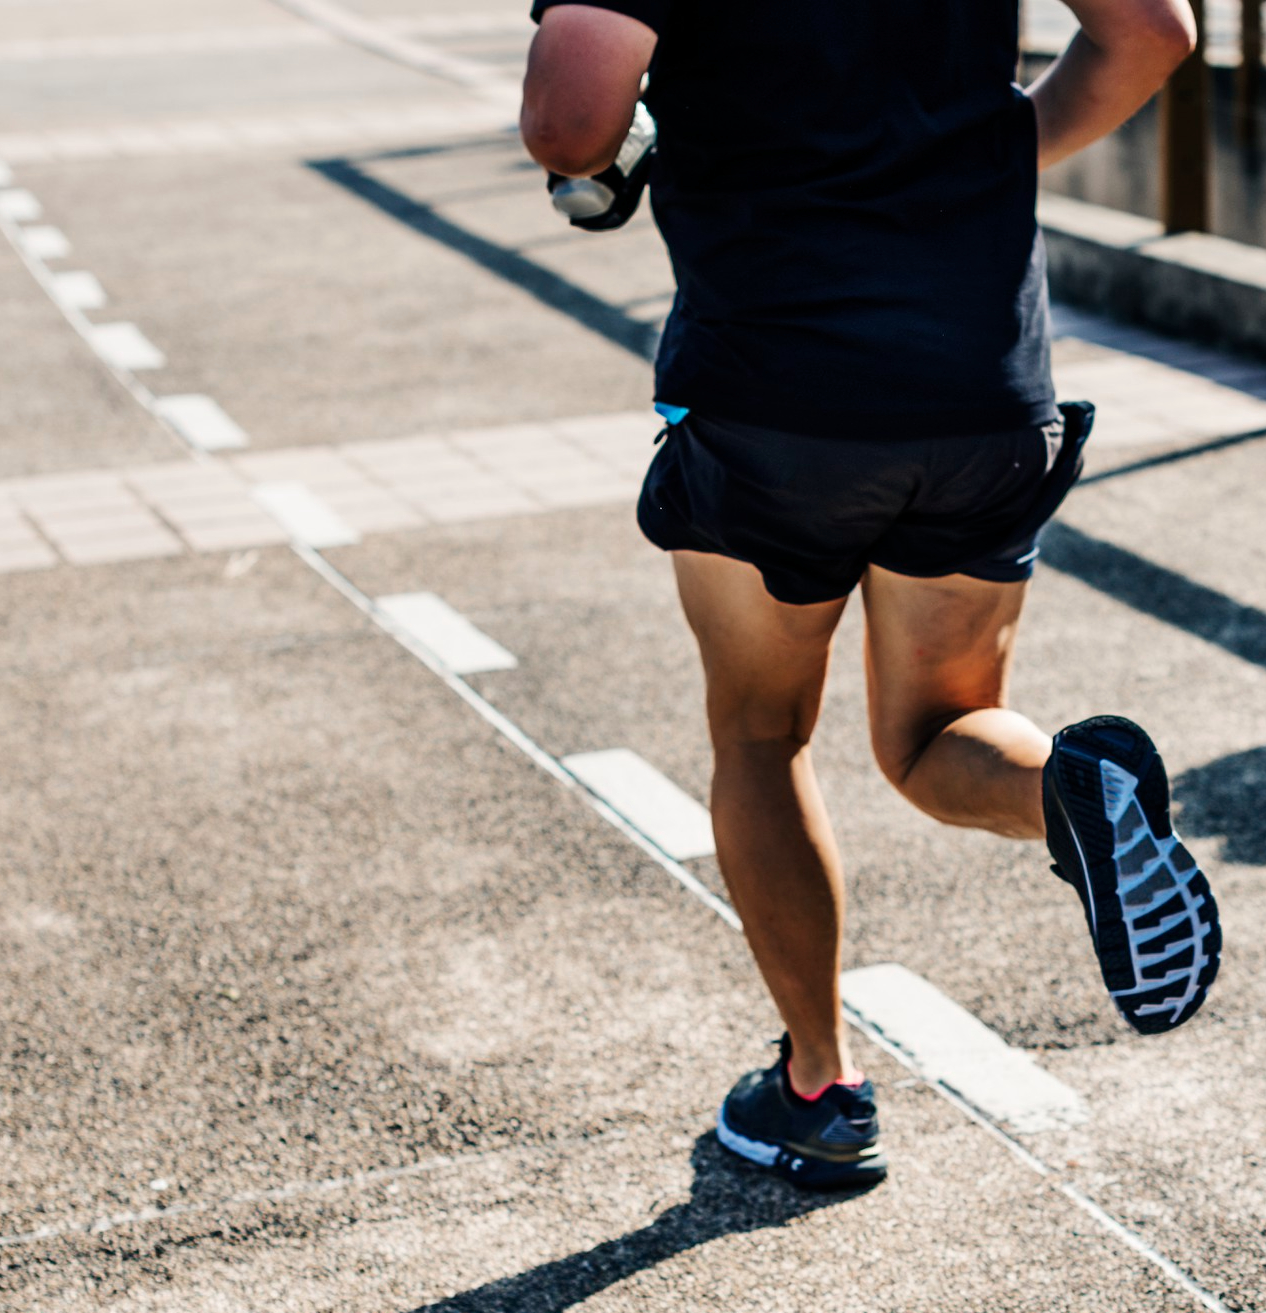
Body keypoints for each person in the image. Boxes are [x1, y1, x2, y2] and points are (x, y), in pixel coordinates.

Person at [521, 0, 1220, 1187]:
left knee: (759, 734)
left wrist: (612, 153)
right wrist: (984, 158)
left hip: (772, 393)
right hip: (981, 389)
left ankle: (817, 1090)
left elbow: (570, 113)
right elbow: (1152, 29)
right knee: (936, 732)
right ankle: (1068, 791)